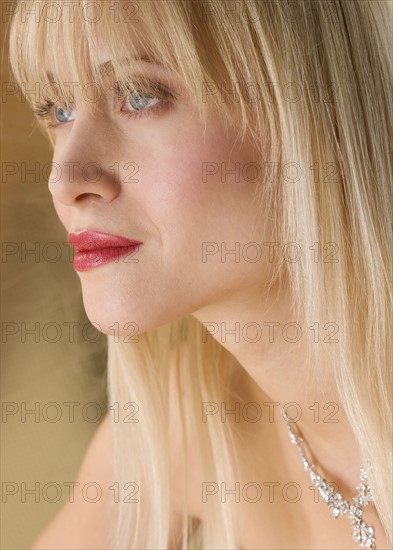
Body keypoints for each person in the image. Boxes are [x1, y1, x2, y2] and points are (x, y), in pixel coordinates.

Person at [9, 0, 392, 548]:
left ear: (321, 113)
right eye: (58, 110)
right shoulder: (180, 427)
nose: (65, 177)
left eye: (140, 96)